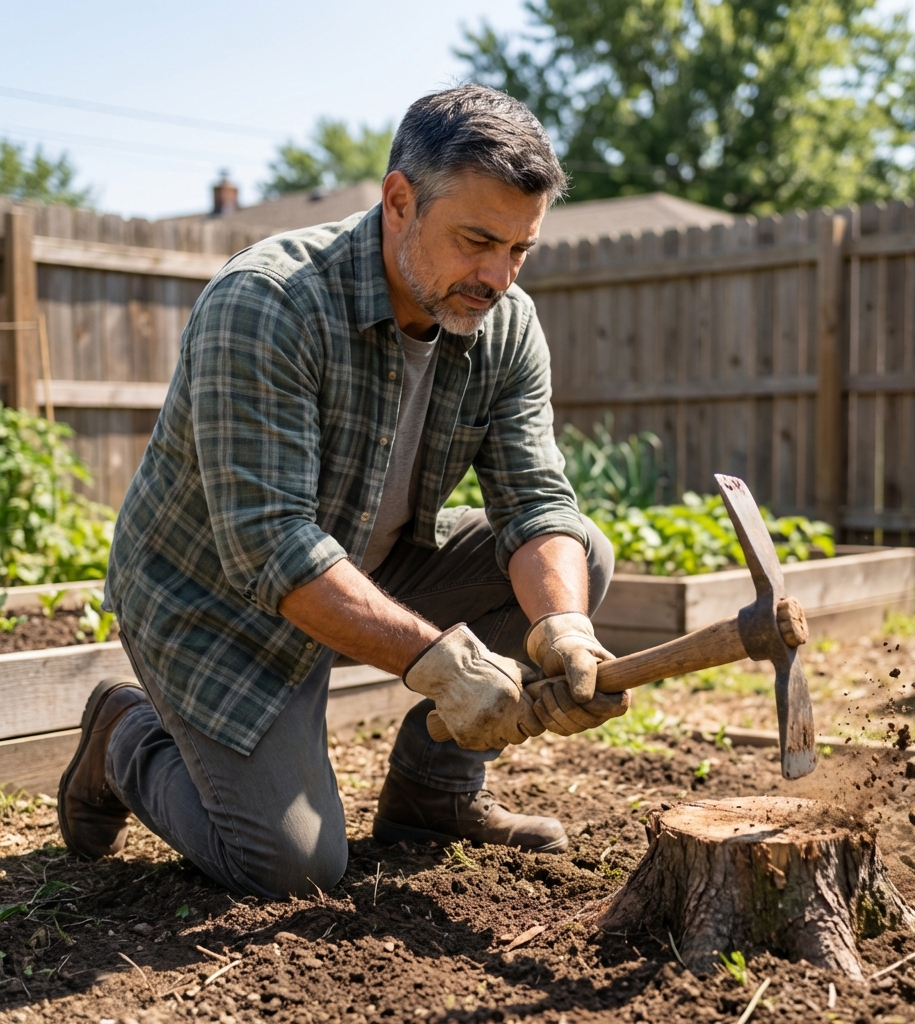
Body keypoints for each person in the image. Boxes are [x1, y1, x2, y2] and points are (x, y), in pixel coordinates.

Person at [57, 85, 631, 900]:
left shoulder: (504, 324)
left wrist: (565, 631)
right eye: (477, 240)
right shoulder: (267, 303)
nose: (498, 276)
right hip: (211, 599)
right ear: (399, 201)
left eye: (520, 250)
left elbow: (536, 500)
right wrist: (441, 666)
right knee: (293, 867)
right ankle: (127, 740)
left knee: (579, 561)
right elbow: (272, 546)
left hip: (366, 565)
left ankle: (433, 796)